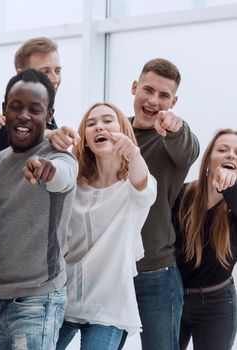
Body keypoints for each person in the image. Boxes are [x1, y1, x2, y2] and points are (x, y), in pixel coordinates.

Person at [51, 58, 199, 350]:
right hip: (102, 275)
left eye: (164, 95)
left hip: (154, 272)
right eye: (148, 90)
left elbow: (187, 150)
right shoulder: (109, 130)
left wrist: (176, 126)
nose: (154, 100)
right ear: (134, 88)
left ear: (174, 101)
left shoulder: (171, 138)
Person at [0, 69, 77, 350]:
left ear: (49, 114)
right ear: (4, 109)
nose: (24, 116)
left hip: (38, 300)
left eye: (35, 109)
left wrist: (47, 171)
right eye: (16, 107)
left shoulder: (59, 156)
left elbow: (63, 177)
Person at [54, 103, 156, 350]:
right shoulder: (75, 184)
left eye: (107, 120)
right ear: (86, 140)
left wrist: (133, 153)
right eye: (91, 123)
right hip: (64, 300)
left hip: (108, 306)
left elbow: (145, 191)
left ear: (122, 130)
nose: (99, 125)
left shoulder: (133, 186)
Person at [174, 129, 237, 350]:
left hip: (217, 303)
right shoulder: (182, 195)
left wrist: (231, 190)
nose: (231, 155)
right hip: (174, 299)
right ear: (208, 159)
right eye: (223, 149)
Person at [0, 37, 62, 152]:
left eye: (57, 71)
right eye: (45, 72)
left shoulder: (51, 122)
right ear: (21, 75)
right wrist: (50, 135)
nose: (55, 79)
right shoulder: (2, 126)